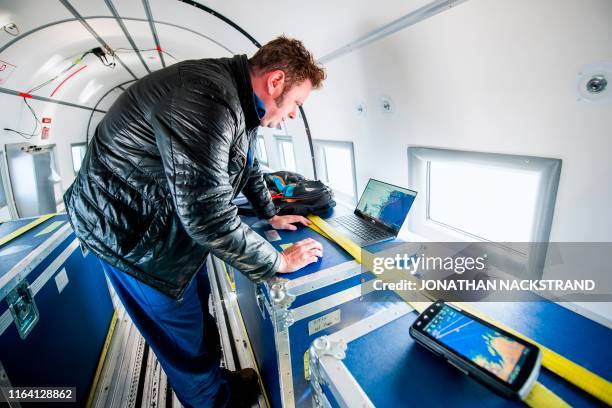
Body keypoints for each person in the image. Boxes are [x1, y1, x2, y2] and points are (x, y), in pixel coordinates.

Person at [64, 36, 326, 407]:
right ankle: (211, 400)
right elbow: (207, 217)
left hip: (163, 223)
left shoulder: (239, 98)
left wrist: (271, 213)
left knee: (198, 310)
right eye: (297, 102)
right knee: (182, 338)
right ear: (276, 81)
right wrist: (280, 261)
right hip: (130, 237)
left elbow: (247, 163)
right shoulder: (205, 98)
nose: (295, 114)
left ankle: (219, 384)